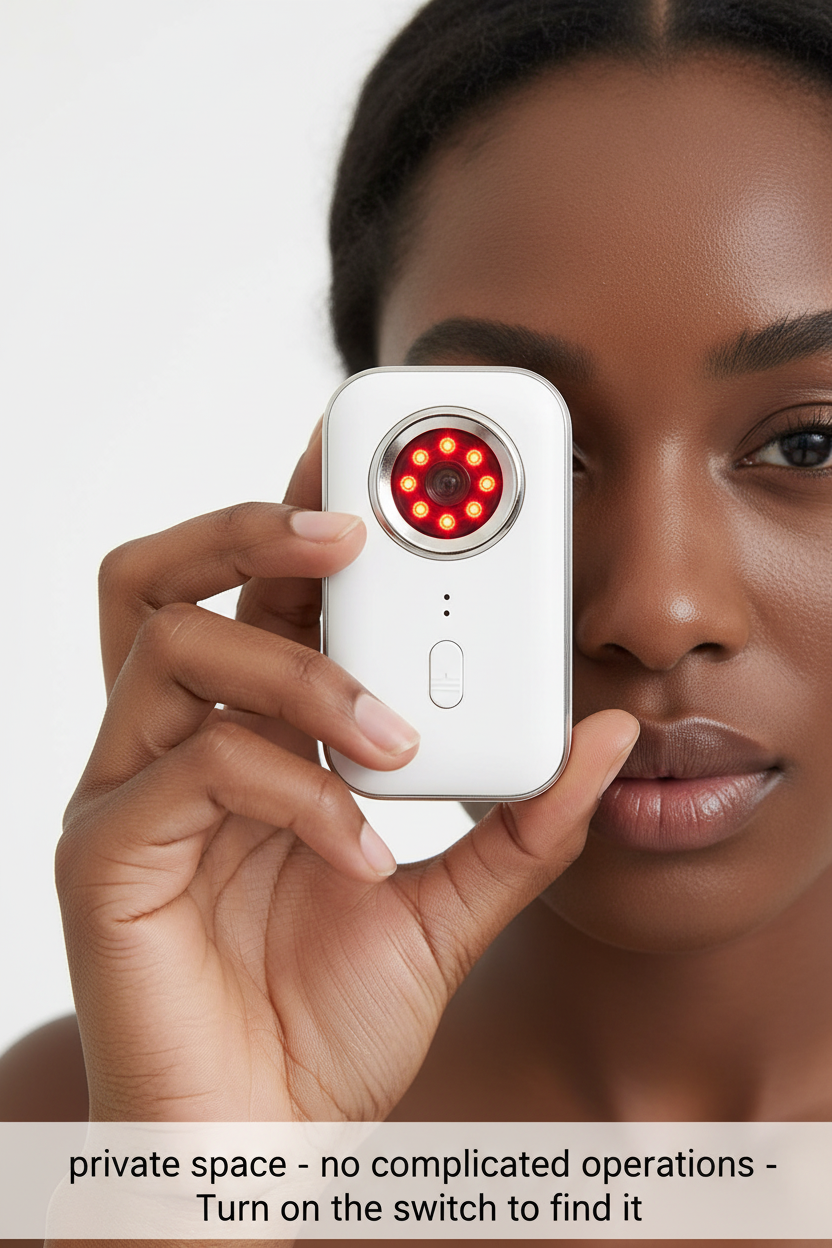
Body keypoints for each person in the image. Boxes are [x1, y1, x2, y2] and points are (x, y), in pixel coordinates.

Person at [2, 0, 831, 1226]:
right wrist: (198, 1193)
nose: (652, 613)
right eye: (506, 453)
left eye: (809, 443)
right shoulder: (78, 1126)